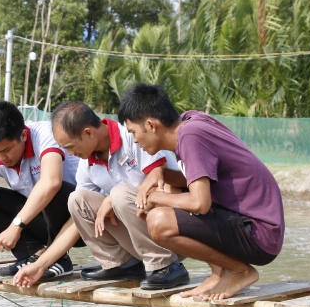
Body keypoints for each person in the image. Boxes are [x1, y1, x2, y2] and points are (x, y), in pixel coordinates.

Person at [119, 83, 285, 300]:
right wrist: (163, 173)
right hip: (254, 226)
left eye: (133, 132)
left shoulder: (190, 136)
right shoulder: (190, 123)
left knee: (159, 221)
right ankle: (220, 272)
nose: (134, 140)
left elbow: (200, 202)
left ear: (150, 125)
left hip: (259, 233)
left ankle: (238, 271)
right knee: (164, 208)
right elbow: (203, 180)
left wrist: (156, 198)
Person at [13, 101, 189, 290]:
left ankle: (166, 266)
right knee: (77, 200)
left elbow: (165, 186)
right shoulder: (87, 161)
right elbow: (75, 223)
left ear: (88, 133)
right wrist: (40, 265)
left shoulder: (134, 136)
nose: (70, 153)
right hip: (139, 238)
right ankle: (121, 264)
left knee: (119, 193)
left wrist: (112, 198)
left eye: (71, 146)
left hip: (171, 235)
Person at [0, 100, 81, 280]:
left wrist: (16, 226)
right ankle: (33, 255)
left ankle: (59, 259)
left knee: (52, 189)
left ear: (23, 135)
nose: (1, 158)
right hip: (46, 222)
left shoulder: (45, 134)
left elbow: (51, 182)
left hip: (82, 221)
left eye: (6, 150)